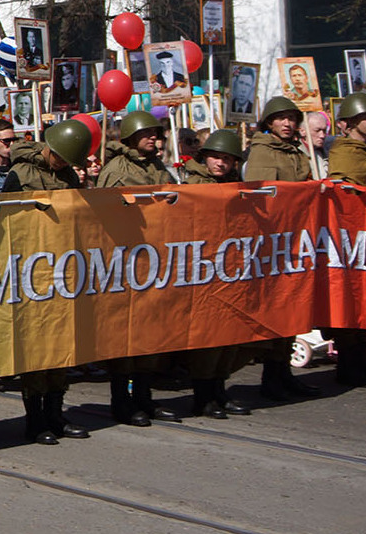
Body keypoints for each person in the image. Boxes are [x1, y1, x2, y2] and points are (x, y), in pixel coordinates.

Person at [1, 120, 95, 445]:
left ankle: (56, 412)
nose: (65, 165)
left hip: (63, 269)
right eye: (62, 158)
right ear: (50, 149)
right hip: (31, 269)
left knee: (62, 346)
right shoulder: (21, 175)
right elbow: (3, 218)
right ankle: (35, 418)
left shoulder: (68, 176)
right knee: (37, 348)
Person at [94, 110, 177, 427]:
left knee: (151, 335)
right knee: (125, 338)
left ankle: (145, 397)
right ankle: (122, 401)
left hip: (156, 261)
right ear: (131, 137)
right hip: (125, 263)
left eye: (157, 133)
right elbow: (105, 215)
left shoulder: (157, 167)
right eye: (148, 133)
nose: (154, 137)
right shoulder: (118, 169)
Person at [242, 96, 321, 400]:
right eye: (281, 118)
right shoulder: (263, 152)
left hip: (298, 240)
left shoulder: (297, 152)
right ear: (269, 122)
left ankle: (284, 373)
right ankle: (271, 378)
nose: (288, 124)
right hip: (273, 242)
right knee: (277, 311)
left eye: (292, 118)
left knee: (293, 309)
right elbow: (260, 197)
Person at [177, 129, 253, 419]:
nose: (220, 164)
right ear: (205, 157)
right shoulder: (191, 181)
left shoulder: (237, 184)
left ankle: (220, 389)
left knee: (229, 335)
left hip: (231, 266)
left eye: (226, 159)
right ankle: (203, 395)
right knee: (206, 339)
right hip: (202, 268)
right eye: (216, 158)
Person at [327, 93, 366, 389]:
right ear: (351, 122)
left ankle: (363, 363)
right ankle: (348, 366)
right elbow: (341, 190)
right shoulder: (342, 150)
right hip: (349, 233)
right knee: (350, 297)